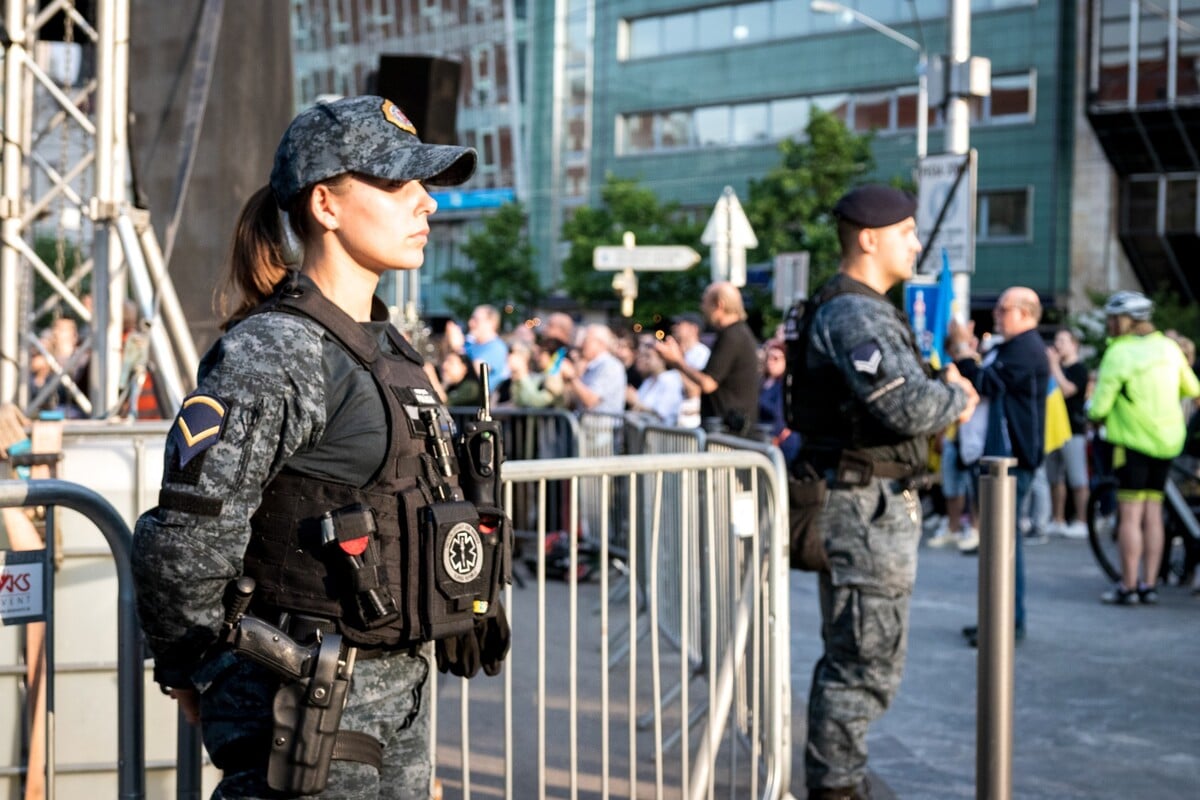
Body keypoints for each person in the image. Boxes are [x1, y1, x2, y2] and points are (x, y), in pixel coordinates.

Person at [129, 95, 510, 799]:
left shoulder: (391, 348)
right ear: (326, 205)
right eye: (397, 183)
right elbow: (186, 541)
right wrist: (195, 672)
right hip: (307, 713)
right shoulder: (276, 352)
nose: (424, 202)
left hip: (399, 704)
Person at [786, 184, 976, 799]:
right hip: (863, 506)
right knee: (862, 661)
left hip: (869, 501)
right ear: (869, 239)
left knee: (862, 653)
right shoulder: (854, 312)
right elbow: (906, 404)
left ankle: (840, 778)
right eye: (907, 233)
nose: (916, 243)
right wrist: (960, 396)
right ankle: (837, 787)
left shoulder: (861, 308)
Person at [949, 286, 1049, 648]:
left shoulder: (1026, 349)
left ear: (1024, 313)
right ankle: (996, 619)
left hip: (1011, 462)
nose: (996, 314)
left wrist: (962, 350)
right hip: (997, 460)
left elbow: (986, 383)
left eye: (1003, 309)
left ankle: (1008, 623)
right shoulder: (1012, 347)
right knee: (996, 543)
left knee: (1004, 544)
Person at [1087, 291, 1200, 605]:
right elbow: (1192, 388)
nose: (1109, 324)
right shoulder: (1168, 348)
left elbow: (1099, 408)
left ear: (1127, 321)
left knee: (1131, 515)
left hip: (1133, 441)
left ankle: (1128, 586)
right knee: (1153, 512)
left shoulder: (1119, 353)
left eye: (1112, 318)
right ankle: (1150, 584)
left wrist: (1090, 412)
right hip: (1167, 442)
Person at [657, 282, 760, 436]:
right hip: (727, 428)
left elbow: (708, 382)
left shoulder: (732, 336)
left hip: (730, 432)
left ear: (719, 305)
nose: (702, 308)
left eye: (705, 302)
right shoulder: (736, 334)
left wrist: (677, 361)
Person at [1045, 328, 1090, 538]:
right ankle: (1058, 518)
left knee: (1077, 478)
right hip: (1053, 430)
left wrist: (1054, 365)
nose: (1058, 344)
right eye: (1056, 339)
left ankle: (1082, 520)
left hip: (1073, 430)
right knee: (1055, 478)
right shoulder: (1054, 369)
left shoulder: (1080, 369)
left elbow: (1068, 390)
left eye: (1063, 340)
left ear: (1074, 345)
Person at [560, 323, 627, 416]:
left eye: (586, 340)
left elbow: (590, 400)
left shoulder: (610, 366)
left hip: (601, 428)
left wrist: (572, 377)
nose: (581, 345)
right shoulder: (592, 366)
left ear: (600, 344)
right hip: (587, 427)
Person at [756, 339, 800, 463]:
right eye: (768, 357)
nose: (771, 362)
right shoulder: (761, 383)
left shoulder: (785, 386)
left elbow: (779, 414)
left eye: (776, 358)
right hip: (763, 438)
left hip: (781, 441)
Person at [626, 335, 684, 425]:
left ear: (662, 359)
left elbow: (662, 414)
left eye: (649, 357)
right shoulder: (648, 380)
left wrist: (635, 402)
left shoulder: (671, 379)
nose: (645, 360)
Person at [447, 304, 510, 384]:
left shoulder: (497, 348)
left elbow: (476, 372)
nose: (470, 323)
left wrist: (457, 347)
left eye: (476, 320)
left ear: (491, 323)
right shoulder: (469, 344)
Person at [670, 311, 710, 428]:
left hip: (690, 421)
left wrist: (676, 362)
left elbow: (694, 390)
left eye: (680, 324)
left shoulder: (702, 353)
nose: (675, 327)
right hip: (676, 418)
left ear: (693, 328)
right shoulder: (682, 353)